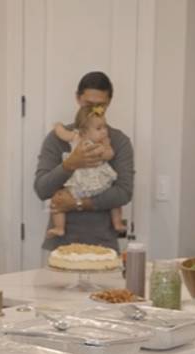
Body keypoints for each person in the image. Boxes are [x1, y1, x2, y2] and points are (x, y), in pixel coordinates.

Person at [34, 71, 134, 253]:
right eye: (88, 104)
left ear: (109, 102)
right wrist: (70, 164)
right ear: (78, 99)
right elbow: (42, 189)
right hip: (60, 247)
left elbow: (123, 193)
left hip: (104, 246)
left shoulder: (118, 141)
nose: (94, 109)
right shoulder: (59, 138)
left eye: (101, 105)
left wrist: (76, 203)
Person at [47, 104, 126, 238]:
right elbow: (62, 134)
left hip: (99, 182)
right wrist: (58, 126)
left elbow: (109, 155)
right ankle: (59, 228)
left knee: (114, 200)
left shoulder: (101, 143)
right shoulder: (76, 137)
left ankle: (117, 223)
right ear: (83, 132)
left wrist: (106, 146)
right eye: (99, 128)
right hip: (79, 184)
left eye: (105, 127)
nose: (104, 131)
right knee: (57, 199)